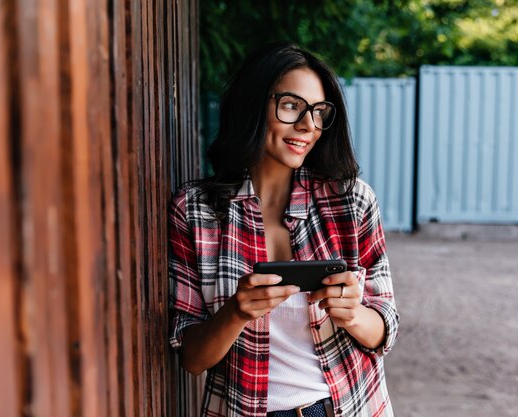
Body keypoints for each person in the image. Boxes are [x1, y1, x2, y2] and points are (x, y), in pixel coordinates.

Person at [168, 42, 399, 417]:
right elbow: (192, 359)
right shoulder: (196, 212)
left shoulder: (352, 202)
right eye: (292, 106)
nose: (308, 126)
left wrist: (353, 313)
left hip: (349, 406)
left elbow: (385, 328)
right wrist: (235, 313)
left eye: (319, 112)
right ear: (253, 105)